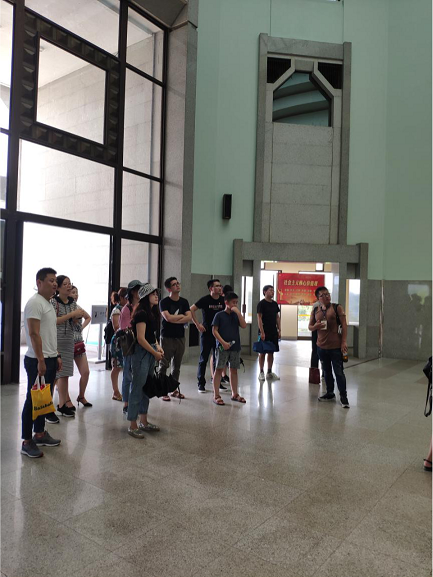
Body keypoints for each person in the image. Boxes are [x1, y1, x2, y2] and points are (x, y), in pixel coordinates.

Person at [21, 268, 61, 457]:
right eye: (51, 280)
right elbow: (33, 333)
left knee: (44, 398)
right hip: (37, 360)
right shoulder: (34, 303)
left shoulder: (48, 303)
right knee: (32, 400)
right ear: (39, 282)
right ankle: (26, 441)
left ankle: (39, 433)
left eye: (55, 281)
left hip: (49, 358)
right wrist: (41, 360)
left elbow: (49, 333)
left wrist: (56, 355)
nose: (55, 284)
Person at [127, 284, 163, 438]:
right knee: (137, 387)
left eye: (156, 294)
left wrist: (158, 347)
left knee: (146, 387)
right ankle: (132, 424)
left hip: (150, 351)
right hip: (142, 353)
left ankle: (143, 421)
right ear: (145, 296)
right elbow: (141, 339)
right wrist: (154, 352)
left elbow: (151, 335)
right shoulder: (141, 313)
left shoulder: (152, 313)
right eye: (153, 294)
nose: (156, 296)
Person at [308, 286, 349, 408]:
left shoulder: (337, 308)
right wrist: (315, 327)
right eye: (323, 295)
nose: (327, 296)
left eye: (328, 294)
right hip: (321, 347)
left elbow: (344, 325)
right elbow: (310, 327)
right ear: (318, 298)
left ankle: (343, 396)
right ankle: (330, 392)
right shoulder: (316, 310)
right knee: (326, 371)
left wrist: (344, 341)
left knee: (339, 372)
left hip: (335, 346)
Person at [52, 275, 84, 418]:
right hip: (57, 340)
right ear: (58, 288)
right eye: (65, 284)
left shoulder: (72, 302)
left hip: (69, 340)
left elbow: (74, 321)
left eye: (69, 283)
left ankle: (62, 404)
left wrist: (77, 317)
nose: (68, 286)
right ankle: (48, 406)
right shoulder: (54, 302)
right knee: (55, 374)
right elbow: (54, 321)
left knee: (65, 374)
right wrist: (72, 314)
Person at [159, 277, 191, 401]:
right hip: (167, 337)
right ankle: (162, 390)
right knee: (164, 364)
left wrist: (175, 318)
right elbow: (168, 318)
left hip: (180, 337)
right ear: (169, 289)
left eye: (178, 283)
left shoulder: (184, 302)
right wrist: (181, 317)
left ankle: (173, 389)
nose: (177, 285)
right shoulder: (164, 302)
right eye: (174, 284)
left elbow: (189, 317)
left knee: (176, 366)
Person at [212, 292, 247, 405]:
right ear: (226, 302)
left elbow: (244, 325)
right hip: (222, 347)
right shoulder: (219, 315)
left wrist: (239, 313)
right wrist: (223, 342)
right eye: (233, 302)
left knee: (234, 370)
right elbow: (214, 331)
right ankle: (216, 395)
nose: (235, 305)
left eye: (236, 302)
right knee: (219, 369)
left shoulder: (236, 315)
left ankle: (235, 393)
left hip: (235, 347)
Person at [190, 279, 225, 393]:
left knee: (217, 359)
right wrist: (197, 324)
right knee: (203, 359)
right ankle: (201, 383)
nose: (219, 288)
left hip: (218, 334)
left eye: (220, 286)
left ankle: (217, 382)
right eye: (217, 286)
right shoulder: (205, 300)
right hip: (207, 333)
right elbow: (191, 309)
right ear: (211, 288)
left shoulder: (223, 300)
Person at [120, 280, 142, 415]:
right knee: (127, 375)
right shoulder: (126, 309)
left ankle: (135, 401)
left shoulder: (142, 306)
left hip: (141, 345)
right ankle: (126, 403)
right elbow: (125, 328)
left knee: (138, 375)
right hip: (129, 345)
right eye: (138, 290)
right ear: (133, 292)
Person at [70, 285, 92, 407]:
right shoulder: (64, 308)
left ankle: (81, 396)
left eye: (77, 292)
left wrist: (81, 328)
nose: (76, 295)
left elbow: (88, 317)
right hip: (66, 344)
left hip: (78, 343)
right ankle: (64, 399)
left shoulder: (78, 307)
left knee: (86, 372)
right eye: (73, 292)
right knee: (63, 374)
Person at [257, 285, 281, 381]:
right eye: (270, 290)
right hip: (264, 331)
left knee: (271, 352)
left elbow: (277, 317)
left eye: (273, 290)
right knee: (262, 352)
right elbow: (259, 318)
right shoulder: (261, 304)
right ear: (265, 292)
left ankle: (269, 372)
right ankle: (261, 372)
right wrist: (262, 332)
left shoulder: (275, 304)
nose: (272, 292)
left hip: (273, 331)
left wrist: (279, 329)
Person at [109, 288, 127, 401]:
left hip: (127, 340)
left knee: (125, 366)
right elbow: (116, 327)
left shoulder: (129, 308)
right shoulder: (117, 310)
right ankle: (115, 391)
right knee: (116, 367)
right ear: (121, 298)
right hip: (118, 341)